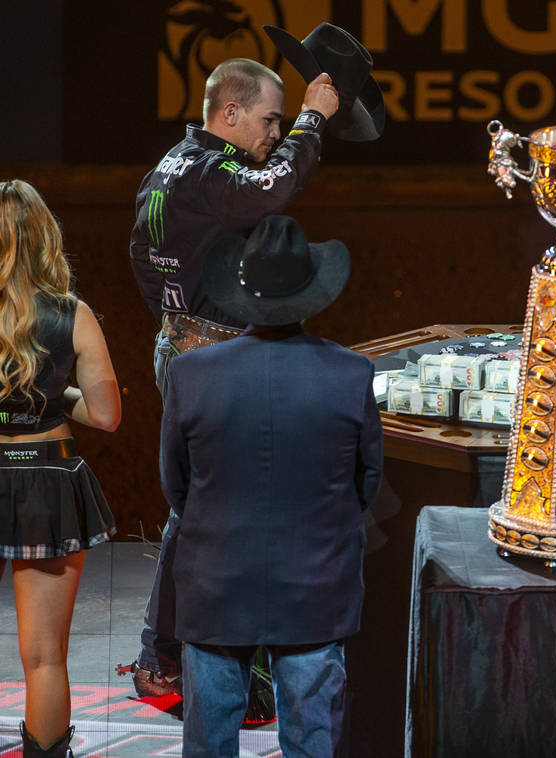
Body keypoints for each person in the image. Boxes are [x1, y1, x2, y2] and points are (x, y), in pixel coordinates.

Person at [124, 23, 384, 698]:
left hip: (182, 339)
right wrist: (310, 121)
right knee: (218, 516)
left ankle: (172, 654)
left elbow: (142, 261)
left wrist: (180, 326)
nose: (272, 135)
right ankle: (190, 656)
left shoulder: (170, 165)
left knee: (203, 514)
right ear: (230, 112)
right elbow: (271, 187)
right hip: (209, 349)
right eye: (267, 120)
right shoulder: (213, 171)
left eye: (279, 123)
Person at [160, 214, 382, 756]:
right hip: (315, 583)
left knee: (209, 743)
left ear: (241, 290)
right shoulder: (351, 373)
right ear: (311, 293)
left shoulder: (190, 374)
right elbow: (368, 483)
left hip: (215, 584)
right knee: (311, 742)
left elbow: (175, 484)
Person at [0, 180, 121, 757]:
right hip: (47, 476)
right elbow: (106, 415)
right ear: (45, 236)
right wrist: (52, 395)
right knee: (45, 656)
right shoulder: (74, 315)